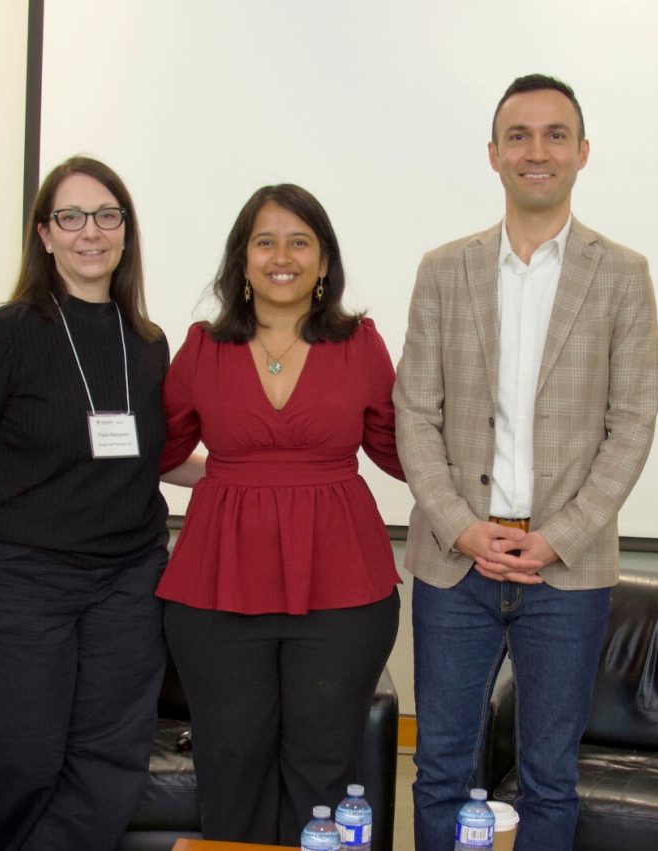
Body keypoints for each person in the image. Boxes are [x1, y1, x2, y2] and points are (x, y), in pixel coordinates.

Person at [394, 73, 658, 851]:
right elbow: (416, 413)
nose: (535, 151)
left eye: (554, 135)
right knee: (442, 766)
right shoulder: (444, 270)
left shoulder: (623, 274)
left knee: (550, 775)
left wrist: (559, 537)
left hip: (566, 572)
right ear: (493, 154)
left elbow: (632, 424)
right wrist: (461, 526)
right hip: (455, 563)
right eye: (518, 136)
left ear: (582, 152)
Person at [0, 155, 199, 850]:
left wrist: (259, 468)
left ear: (126, 232)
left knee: (108, 760)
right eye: (70, 217)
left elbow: (153, 455)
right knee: (19, 757)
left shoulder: (148, 343)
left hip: (126, 582)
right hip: (17, 580)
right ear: (44, 235)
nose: (90, 232)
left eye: (107, 215)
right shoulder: (4, 334)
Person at [158, 183, 404, 845]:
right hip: (217, 586)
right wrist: (236, 477)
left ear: (324, 261)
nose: (282, 256)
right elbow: (161, 451)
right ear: (242, 259)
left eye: (300, 241)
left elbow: (400, 453)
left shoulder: (361, 344)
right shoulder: (202, 346)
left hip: (342, 586)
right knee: (230, 761)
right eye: (264, 242)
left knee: (324, 766)